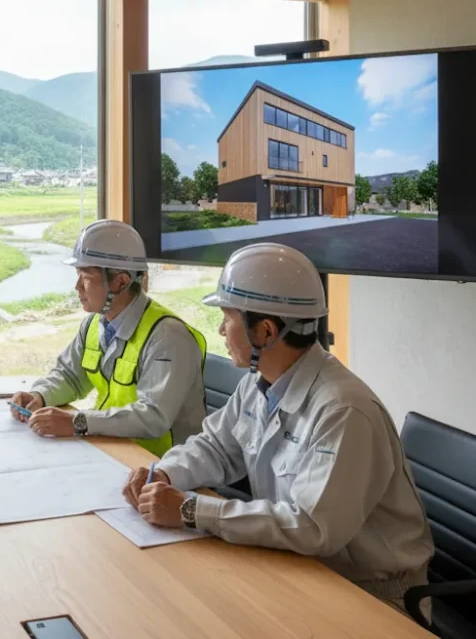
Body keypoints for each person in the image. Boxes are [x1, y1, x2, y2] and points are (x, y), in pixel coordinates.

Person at [124, 243, 433, 615]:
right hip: (300, 568)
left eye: (228, 317)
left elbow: (311, 526)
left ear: (266, 331)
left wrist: (192, 510)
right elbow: (215, 448)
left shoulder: (344, 411)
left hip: (372, 597)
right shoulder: (260, 383)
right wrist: (164, 474)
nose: (221, 328)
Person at [10, 220, 207, 453]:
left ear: (120, 282)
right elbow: (70, 376)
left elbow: (153, 417)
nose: (77, 287)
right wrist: (40, 395)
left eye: (85, 278)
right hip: (117, 448)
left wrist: (78, 422)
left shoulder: (168, 337)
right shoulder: (94, 324)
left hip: (163, 466)